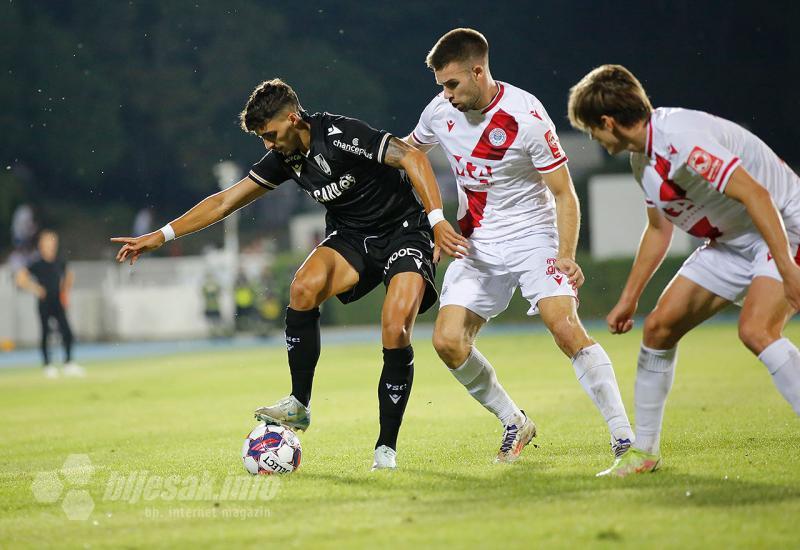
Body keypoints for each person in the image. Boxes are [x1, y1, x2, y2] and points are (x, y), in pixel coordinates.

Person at [111, 78, 466, 470]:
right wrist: (162, 235)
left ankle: (385, 448)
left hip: (404, 231)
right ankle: (299, 404)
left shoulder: (340, 134)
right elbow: (226, 200)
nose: (268, 144)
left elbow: (413, 157)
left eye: (271, 134)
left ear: (294, 119)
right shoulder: (285, 158)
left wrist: (436, 221)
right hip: (352, 237)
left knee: (395, 326)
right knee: (302, 287)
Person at [407, 29, 633, 467]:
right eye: (441, 87)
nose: (446, 96)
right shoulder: (438, 112)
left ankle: (624, 439)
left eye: (452, 84)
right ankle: (515, 422)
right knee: (448, 341)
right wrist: (430, 220)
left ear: (478, 71)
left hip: (532, 237)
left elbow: (565, 194)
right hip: (477, 243)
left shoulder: (526, 116)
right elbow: (406, 154)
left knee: (563, 326)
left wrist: (566, 255)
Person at [567, 64, 800, 477]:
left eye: (591, 129)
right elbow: (659, 229)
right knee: (658, 329)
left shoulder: (682, 138)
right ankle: (644, 453)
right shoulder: (643, 158)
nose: (593, 139)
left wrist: (787, 268)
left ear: (607, 122)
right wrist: (629, 297)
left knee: (757, 330)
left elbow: (758, 196)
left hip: (783, 226)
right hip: (732, 241)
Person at [15, 230, 84, 378]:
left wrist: (65, 291)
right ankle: (48, 366)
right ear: (41, 244)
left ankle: (68, 363)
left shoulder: (59, 261)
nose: (51, 244)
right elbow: (20, 278)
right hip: (44, 302)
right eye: (47, 241)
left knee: (67, 332)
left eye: (53, 241)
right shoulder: (36, 263)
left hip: (58, 301)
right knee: (46, 333)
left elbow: (69, 275)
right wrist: (36, 289)